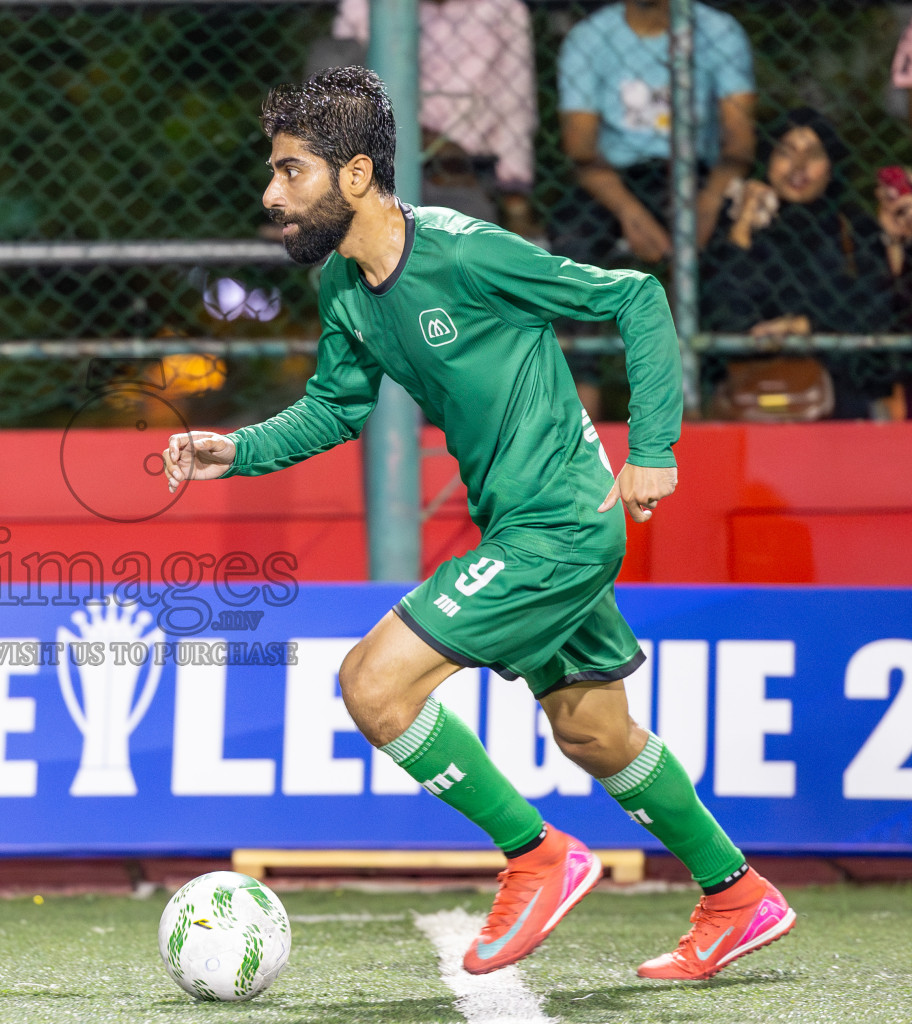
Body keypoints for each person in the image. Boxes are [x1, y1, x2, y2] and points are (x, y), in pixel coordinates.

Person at [164, 67, 794, 980]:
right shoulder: (343, 285)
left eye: (290, 172)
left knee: (374, 686)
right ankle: (736, 895)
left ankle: (538, 856)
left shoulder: (464, 253)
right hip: (522, 527)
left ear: (353, 176)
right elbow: (337, 407)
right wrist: (242, 448)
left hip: (561, 526)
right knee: (593, 732)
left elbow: (637, 300)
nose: (270, 195)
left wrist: (653, 446)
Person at [703, 108, 902, 419]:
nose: (798, 166)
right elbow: (725, 317)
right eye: (786, 152)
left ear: (832, 165)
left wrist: (804, 327)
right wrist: (741, 229)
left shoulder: (853, 230)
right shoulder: (739, 229)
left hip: (843, 400)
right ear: (768, 161)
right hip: (754, 398)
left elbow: (873, 314)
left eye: (814, 154)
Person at [309, 0, 538, 238]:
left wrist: (516, 202)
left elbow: (515, 109)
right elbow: (343, 87)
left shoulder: (502, 9)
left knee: (458, 252)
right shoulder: (365, 5)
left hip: (460, 174)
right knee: (332, 54)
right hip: (370, 161)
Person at [554, 0, 756, 267]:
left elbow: (739, 144)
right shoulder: (588, 38)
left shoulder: (719, 32)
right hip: (615, 178)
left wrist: (709, 204)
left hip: (700, 172)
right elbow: (581, 152)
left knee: (735, 240)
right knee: (572, 238)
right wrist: (629, 212)